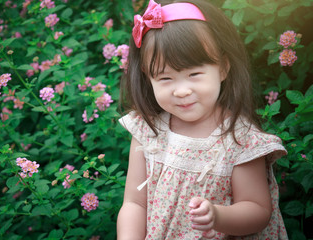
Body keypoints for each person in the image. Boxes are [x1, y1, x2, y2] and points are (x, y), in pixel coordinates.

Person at [116, 0, 288, 239]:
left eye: (194, 74)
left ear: (223, 68)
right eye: (165, 78)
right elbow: (135, 203)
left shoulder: (239, 140)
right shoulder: (149, 131)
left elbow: (257, 210)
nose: (182, 90)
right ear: (148, 77)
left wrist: (218, 216)